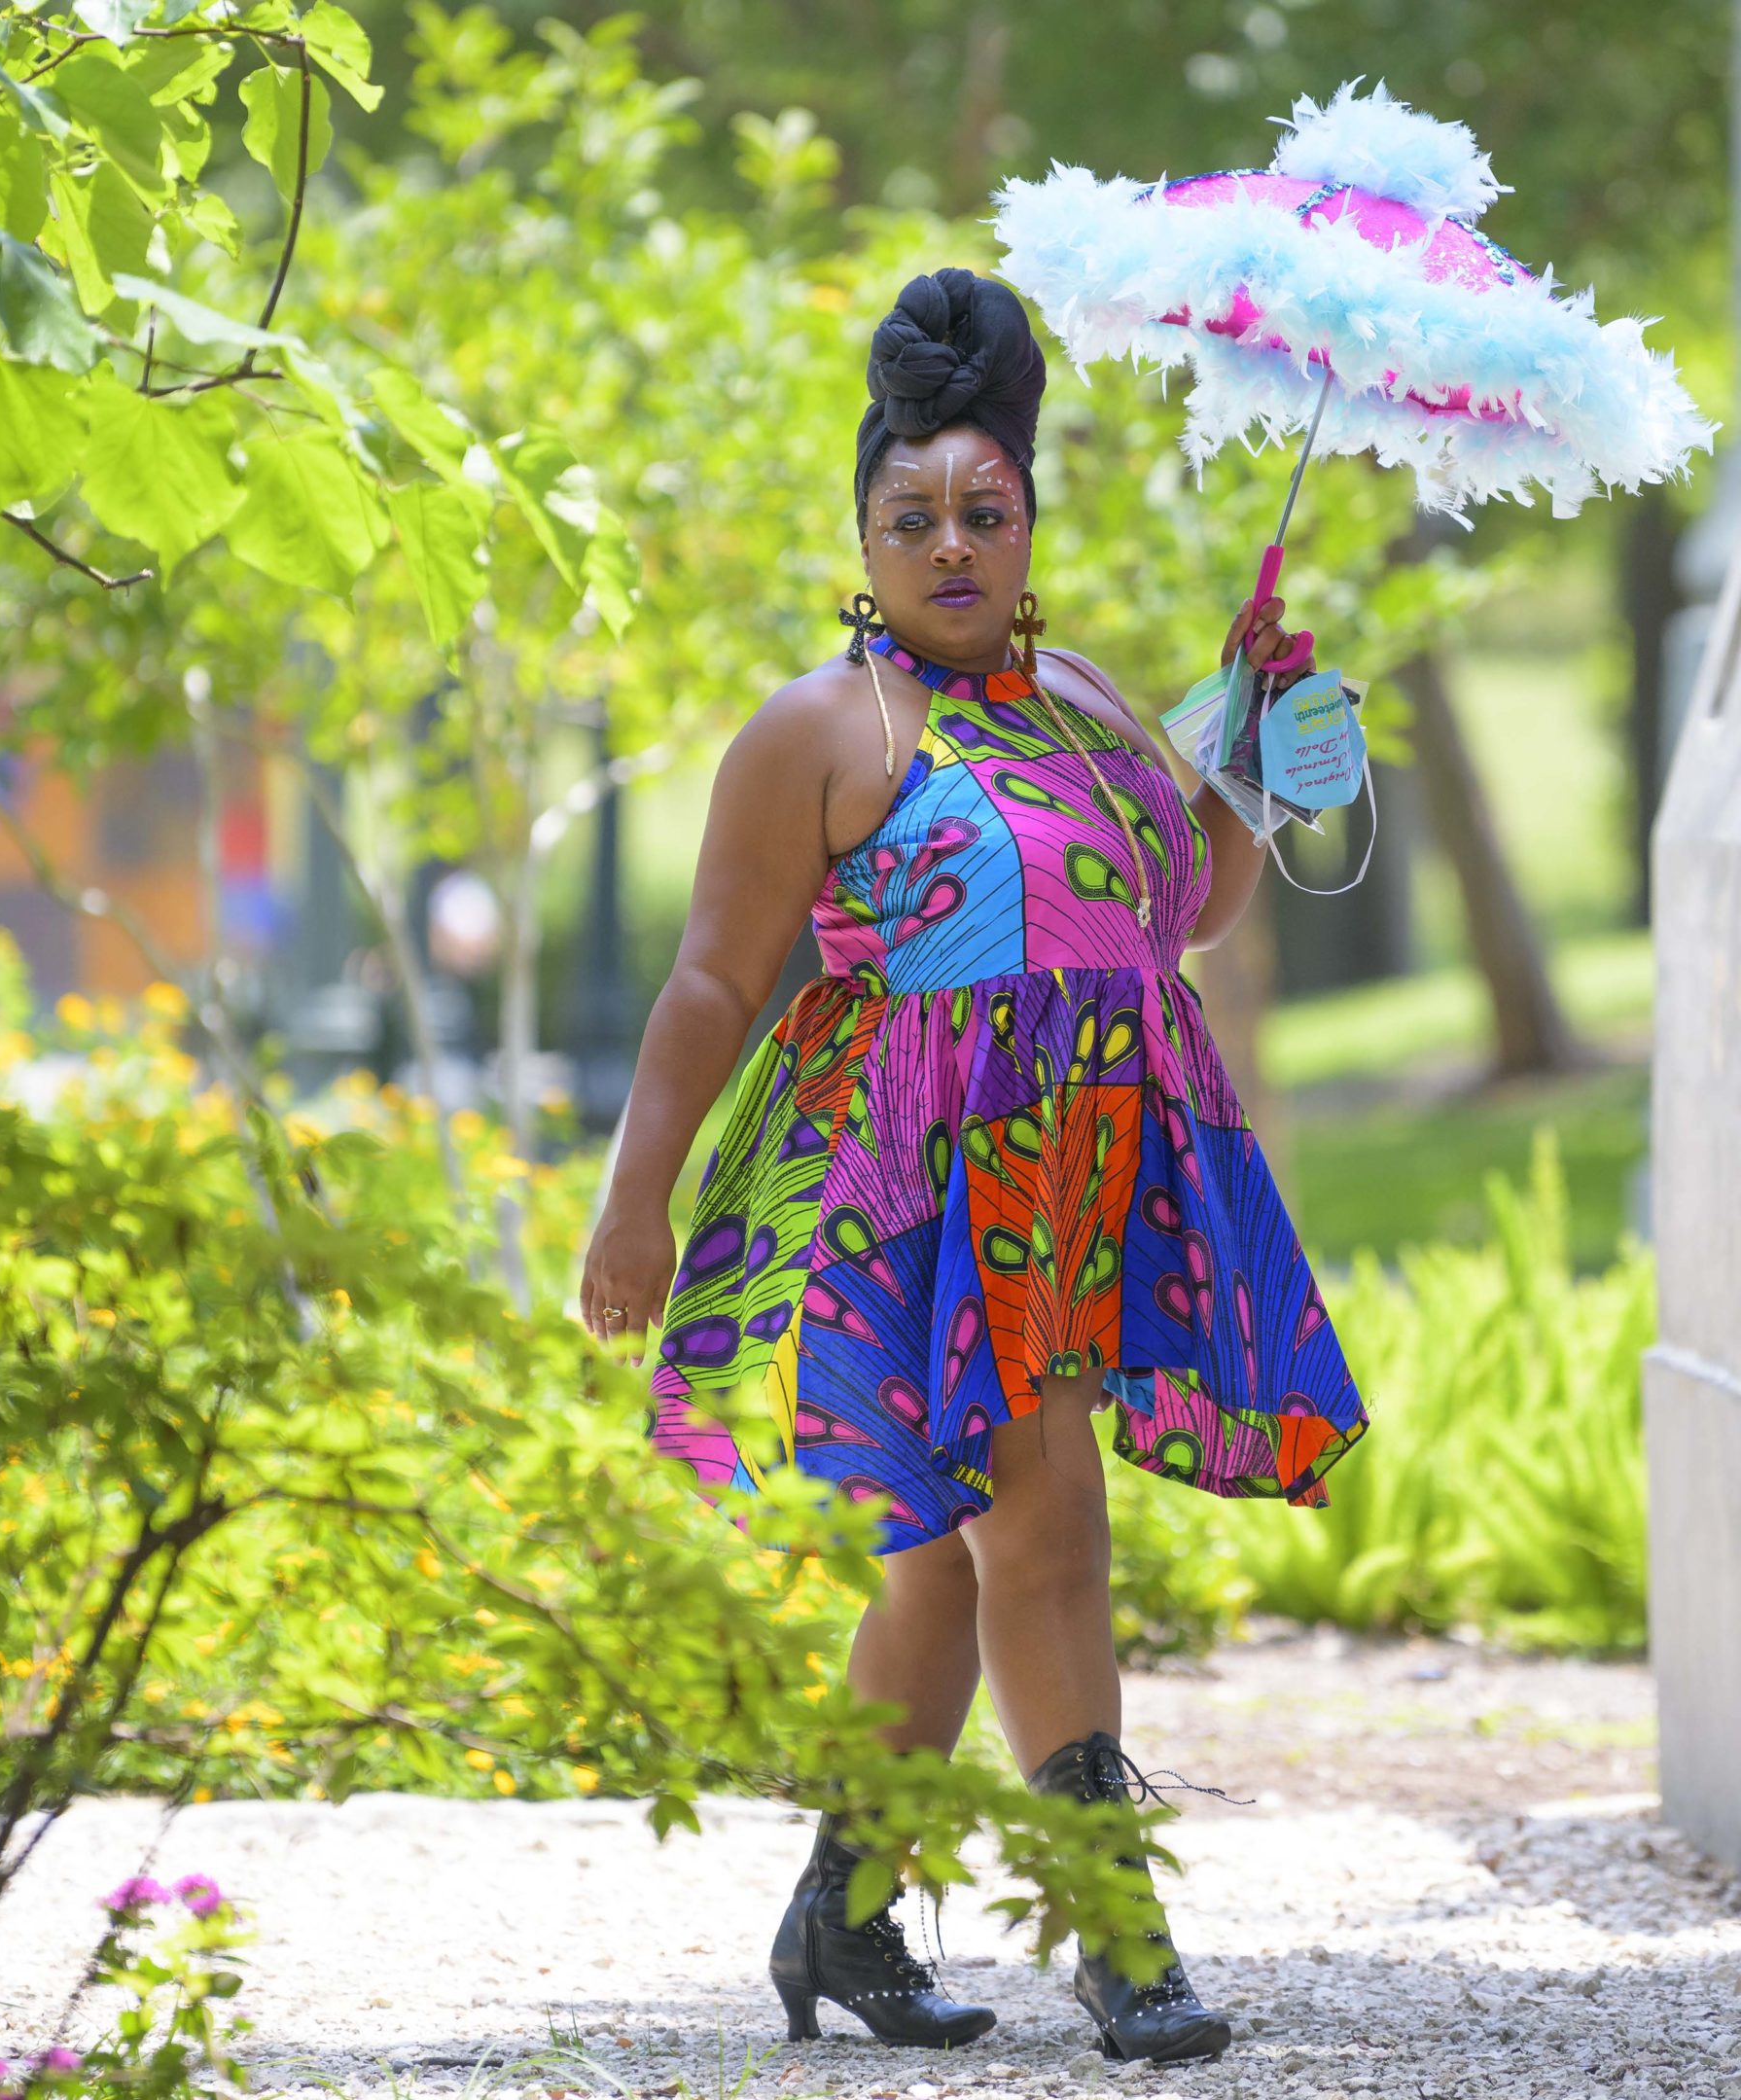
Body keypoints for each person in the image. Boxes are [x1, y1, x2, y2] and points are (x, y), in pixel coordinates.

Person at [576, 267, 1369, 2066]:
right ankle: (1117, 1934)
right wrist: (637, 1198)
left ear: (1028, 523)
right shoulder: (821, 730)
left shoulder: (1083, 697)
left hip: (1084, 1175)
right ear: (864, 535)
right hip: (915, 1198)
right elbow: (711, 981)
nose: (950, 543)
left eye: (984, 511)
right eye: (911, 514)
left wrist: (1248, 751)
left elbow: (1178, 910)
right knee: (1046, 1528)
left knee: (942, 1568)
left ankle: (840, 1918)